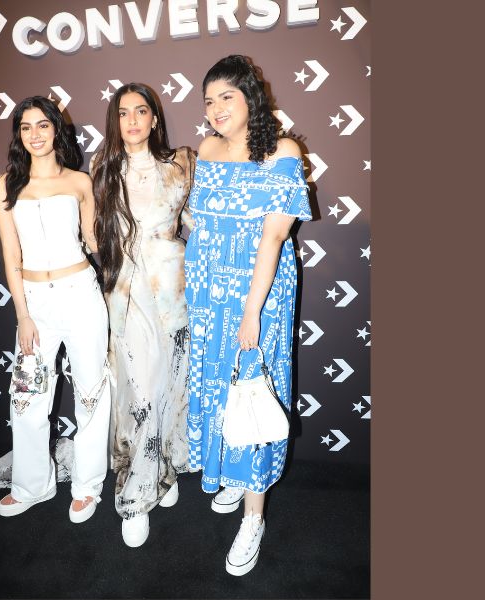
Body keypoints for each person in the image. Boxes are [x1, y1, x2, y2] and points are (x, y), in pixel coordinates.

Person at [184, 55, 312, 575]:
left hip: (258, 291)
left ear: (250, 98)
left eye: (226, 97)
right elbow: (199, 224)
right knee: (219, 387)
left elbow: (274, 237)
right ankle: (231, 476)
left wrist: (252, 312)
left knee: (254, 388)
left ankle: (253, 517)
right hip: (208, 290)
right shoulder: (207, 149)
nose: (215, 108)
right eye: (208, 100)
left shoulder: (282, 151)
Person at [0, 95, 110, 523]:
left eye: (42, 124)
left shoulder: (80, 182)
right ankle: (32, 486)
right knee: (27, 396)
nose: (35, 134)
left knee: (91, 392)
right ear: (18, 135)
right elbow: (11, 253)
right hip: (34, 303)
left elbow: (94, 242)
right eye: (25, 127)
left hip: (81, 294)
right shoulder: (5, 185)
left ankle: (88, 486)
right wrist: (22, 314)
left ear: (57, 129)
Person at [90, 83, 195, 547]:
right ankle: (135, 495)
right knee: (140, 389)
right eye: (123, 113)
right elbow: (95, 232)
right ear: (115, 121)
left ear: (154, 118)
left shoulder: (182, 164)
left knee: (171, 385)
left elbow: (195, 221)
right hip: (125, 292)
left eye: (140, 111)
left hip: (172, 291)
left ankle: (163, 471)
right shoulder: (102, 167)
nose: (132, 120)